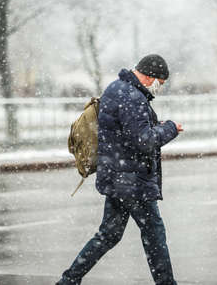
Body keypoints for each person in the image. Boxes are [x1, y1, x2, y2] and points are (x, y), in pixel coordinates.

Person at [56, 54, 183, 285]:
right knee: (154, 236)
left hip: (117, 177)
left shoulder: (117, 88)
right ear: (148, 76)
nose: (159, 88)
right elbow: (143, 140)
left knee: (108, 235)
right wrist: (171, 129)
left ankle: (69, 280)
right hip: (132, 181)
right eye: (160, 83)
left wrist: (155, 126)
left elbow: (127, 133)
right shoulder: (133, 97)